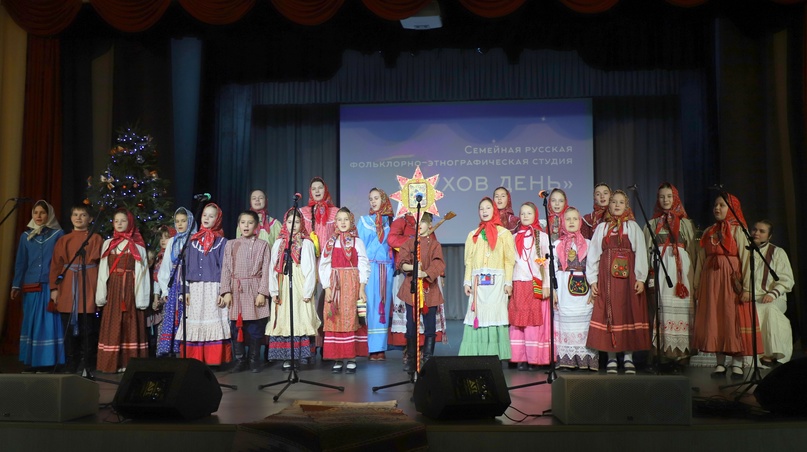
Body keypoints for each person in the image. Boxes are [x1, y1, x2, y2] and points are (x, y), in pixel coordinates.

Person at [693, 193, 761, 377]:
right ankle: (720, 363)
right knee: (715, 318)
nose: (717, 208)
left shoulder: (739, 231)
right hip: (711, 282)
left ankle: (737, 363)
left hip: (730, 281)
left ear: (732, 208)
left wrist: (747, 287)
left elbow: (746, 259)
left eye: (722, 205)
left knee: (732, 318)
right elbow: (701, 260)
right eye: (715, 205)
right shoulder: (709, 231)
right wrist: (697, 285)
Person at [586, 190, 650, 374]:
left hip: (629, 280)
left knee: (628, 313)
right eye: (614, 202)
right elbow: (593, 255)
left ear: (626, 205)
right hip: (607, 279)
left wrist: (641, 278)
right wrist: (592, 280)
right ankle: (612, 357)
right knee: (609, 313)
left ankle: (628, 357)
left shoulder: (633, 227)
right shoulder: (602, 228)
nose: (616, 205)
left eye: (621, 202)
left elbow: (641, 253)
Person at [643, 183, 697, 371]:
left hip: (681, 273)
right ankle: (662, 355)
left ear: (675, 198)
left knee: (682, 309)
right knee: (661, 309)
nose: (665, 200)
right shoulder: (651, 224)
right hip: (660, 270)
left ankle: (681, 356)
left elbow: (692, 250)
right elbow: (647, 251)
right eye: (661, 196)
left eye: (669, 196)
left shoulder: (686, 224)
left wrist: (693, 278)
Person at [387, 211, 447, 367]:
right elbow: (402, 262)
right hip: (411, 289)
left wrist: (425, 273)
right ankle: (412, 359)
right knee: (411, 325)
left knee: (430, 327)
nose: (419, 225)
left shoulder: (435, 245)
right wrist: (413, 268)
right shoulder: (409, 243)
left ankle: (427, 358)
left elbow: (439, 263)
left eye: (423, 222)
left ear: (430, 225)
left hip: (429, 289)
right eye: (417, 223)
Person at [11, 200, 65, 371]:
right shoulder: (26, 237)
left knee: (49, 322)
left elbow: (61, 261)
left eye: (42, 212)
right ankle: (32, 360)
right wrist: (16, 285)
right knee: (32, 321)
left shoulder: (57, 235)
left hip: (50, 285)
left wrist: (58, 285)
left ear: (49, 215)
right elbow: (21, 262)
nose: (39, 216)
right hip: (31, 285)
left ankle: (50, 361)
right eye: (36, 213)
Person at [49, 203, 103, 374]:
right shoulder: (63, 240)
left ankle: (86, 362)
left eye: (83, 215)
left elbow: (102, 265)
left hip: (88, 284)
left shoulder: (96, 239)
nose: (79, 218)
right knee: (69, 329)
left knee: (88, 329)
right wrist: (54, 288)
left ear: (91, 219)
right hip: (68, 286)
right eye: (75, 214)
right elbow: (56, 266)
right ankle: (71, 361)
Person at [459, 197, 515, 359]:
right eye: (481, 208)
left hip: (497, 283)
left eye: (488, 208)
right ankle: (476, 354)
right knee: (477, 314)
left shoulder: (504, 234)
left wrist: (508, 282)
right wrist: (467, 282)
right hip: (478, 283)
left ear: (494, 210)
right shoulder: (473, 235)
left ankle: (494, 355)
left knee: (495, 314)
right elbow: (469, 260)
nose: (484, 211)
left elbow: (509, 260)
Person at [177, 203, 232, 365]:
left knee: (214, 319)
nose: (207, 218)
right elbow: (185, 267)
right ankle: (195, 358)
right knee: (195, 320)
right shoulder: (192, 241)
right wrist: (185, 290)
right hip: (195, 288)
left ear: (217, 219)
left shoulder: (222, 242)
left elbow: (225, 268)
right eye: (204, 215)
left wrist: (223, 291)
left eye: (211, 216)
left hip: (212, 288)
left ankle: (213, 359)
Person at [95, 209, 149, 373]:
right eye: (116, 220)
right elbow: (103, 270)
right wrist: (101, 294)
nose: (119, 223)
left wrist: (141, 298)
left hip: (131, 288)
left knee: (129, 322)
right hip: (114, 288)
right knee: (114, 322)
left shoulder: (137, 246)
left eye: (123, 220)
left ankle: (129, 363)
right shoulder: (108, 244)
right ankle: (112, 363)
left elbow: (143, 273)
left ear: (130, 223)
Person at [267, 208, 320, 370]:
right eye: (290, 222)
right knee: (285, 317)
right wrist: (274, 291)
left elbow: (310, 269)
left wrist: (307, 291)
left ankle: (301, 356)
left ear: (301, 223)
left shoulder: (306, 243)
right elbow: (272, 267)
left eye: (297, 222)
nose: (293, 225)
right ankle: (287, 357)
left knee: (300, 317)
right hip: (283, 282)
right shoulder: (279, 242)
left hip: (299, 283)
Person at [319, 207, 369, 373]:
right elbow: (324, 265)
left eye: (346, 219)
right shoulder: (330, 242)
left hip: (352, 285)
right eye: (339, 219)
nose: (342, 222)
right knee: (335, 318)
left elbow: (364, 264)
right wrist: (327, 288)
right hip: (335, 285)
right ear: (335, 222)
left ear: (351, 221)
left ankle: (351, 357)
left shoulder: (357, 242)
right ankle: (338, 358)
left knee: (351, 317)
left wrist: (362, 288)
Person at [220, 211, 271, 373]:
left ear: (256, 226)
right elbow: (226, 269)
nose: (246, 226)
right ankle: (240, 360)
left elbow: (266, 270)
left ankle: (254, 359)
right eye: (243, 222)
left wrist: (262, 293)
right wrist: (226, 291)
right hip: (236, 290)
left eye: (250, 222)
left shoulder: (263, 245)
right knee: (237, 327)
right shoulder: (231, 244)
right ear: (238, 225)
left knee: (256, 327)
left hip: (254, 288)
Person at [553, 207, 598, 371]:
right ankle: (567, 360)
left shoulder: (588, 243)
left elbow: (594, 266)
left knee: (584, 322)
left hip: (584, 288)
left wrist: (594, 287)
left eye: (575, 219)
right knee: (565, 322)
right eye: (568, 219)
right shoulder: (556, 244)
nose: (571, 222)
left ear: (580, 222)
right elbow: (551, 269)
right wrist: (553, 291)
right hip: (563, 288)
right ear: (562, 222)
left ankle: (585, 360)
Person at [509, 202, 551, 370]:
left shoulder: (542, 236)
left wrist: (546, 284)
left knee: (533, 321)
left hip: (534, 282)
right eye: (523, 213)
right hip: (518, 282)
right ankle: (520, 358)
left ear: (535, 215)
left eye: (529, 213)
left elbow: (546, 262)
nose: (525, 216)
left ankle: (533, 358)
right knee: (518, 321)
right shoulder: (513, 237)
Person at [749, 220, 794, 366]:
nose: (756, 233)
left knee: (769, 309)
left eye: (762, 231)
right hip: (751, 297)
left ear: (769, 236)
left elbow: (787, 279)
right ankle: (751, 355)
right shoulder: (745, 251)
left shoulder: (777, 252)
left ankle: (772, 354)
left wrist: (772, 294)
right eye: (754, 229)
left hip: (774, 297)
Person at [357, 188, 394, 361]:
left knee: (383, 308)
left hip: (386, 269)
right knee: (370, 307)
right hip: (370, 269)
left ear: (383, 199)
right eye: (371, 198)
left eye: (376, 198)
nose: (373, 201)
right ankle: (370, 347)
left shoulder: (391, 222)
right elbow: (359, 247)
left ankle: (381, 347)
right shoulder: (364, 221)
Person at [155, 207, 195, 357]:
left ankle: (186, 348)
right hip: (174, 284)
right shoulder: (173, 241)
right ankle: (171, 348)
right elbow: (165, 267)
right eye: (177, 221)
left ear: (189, 222)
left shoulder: (194, 240)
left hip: (189, 282)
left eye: (183, 221)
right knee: (172, 314)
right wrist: (165, 290)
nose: (180, 224)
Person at [146, 225, 174, 357]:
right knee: (161, 326)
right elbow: (157, 278)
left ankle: (173, 352)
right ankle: (162, 352)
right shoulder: (159, 257)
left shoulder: (174, 256)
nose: (163, 241)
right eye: (161, 238)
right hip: (163, 296)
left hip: (172, 294)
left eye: (166, 238)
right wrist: (156, 298)